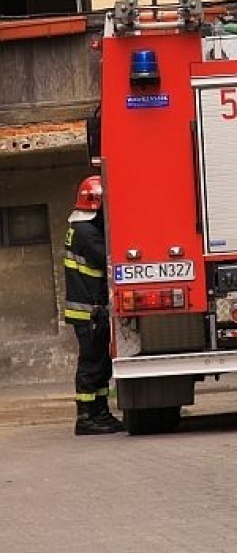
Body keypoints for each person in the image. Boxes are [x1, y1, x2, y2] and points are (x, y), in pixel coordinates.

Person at [63, 175, 123, 435]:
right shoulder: (87, 233)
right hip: (88, 310)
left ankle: (100, 412)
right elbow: (106, 258)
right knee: (91, 365)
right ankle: (86, 418)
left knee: (99, 364)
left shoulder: (79, 227)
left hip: (88, 309)